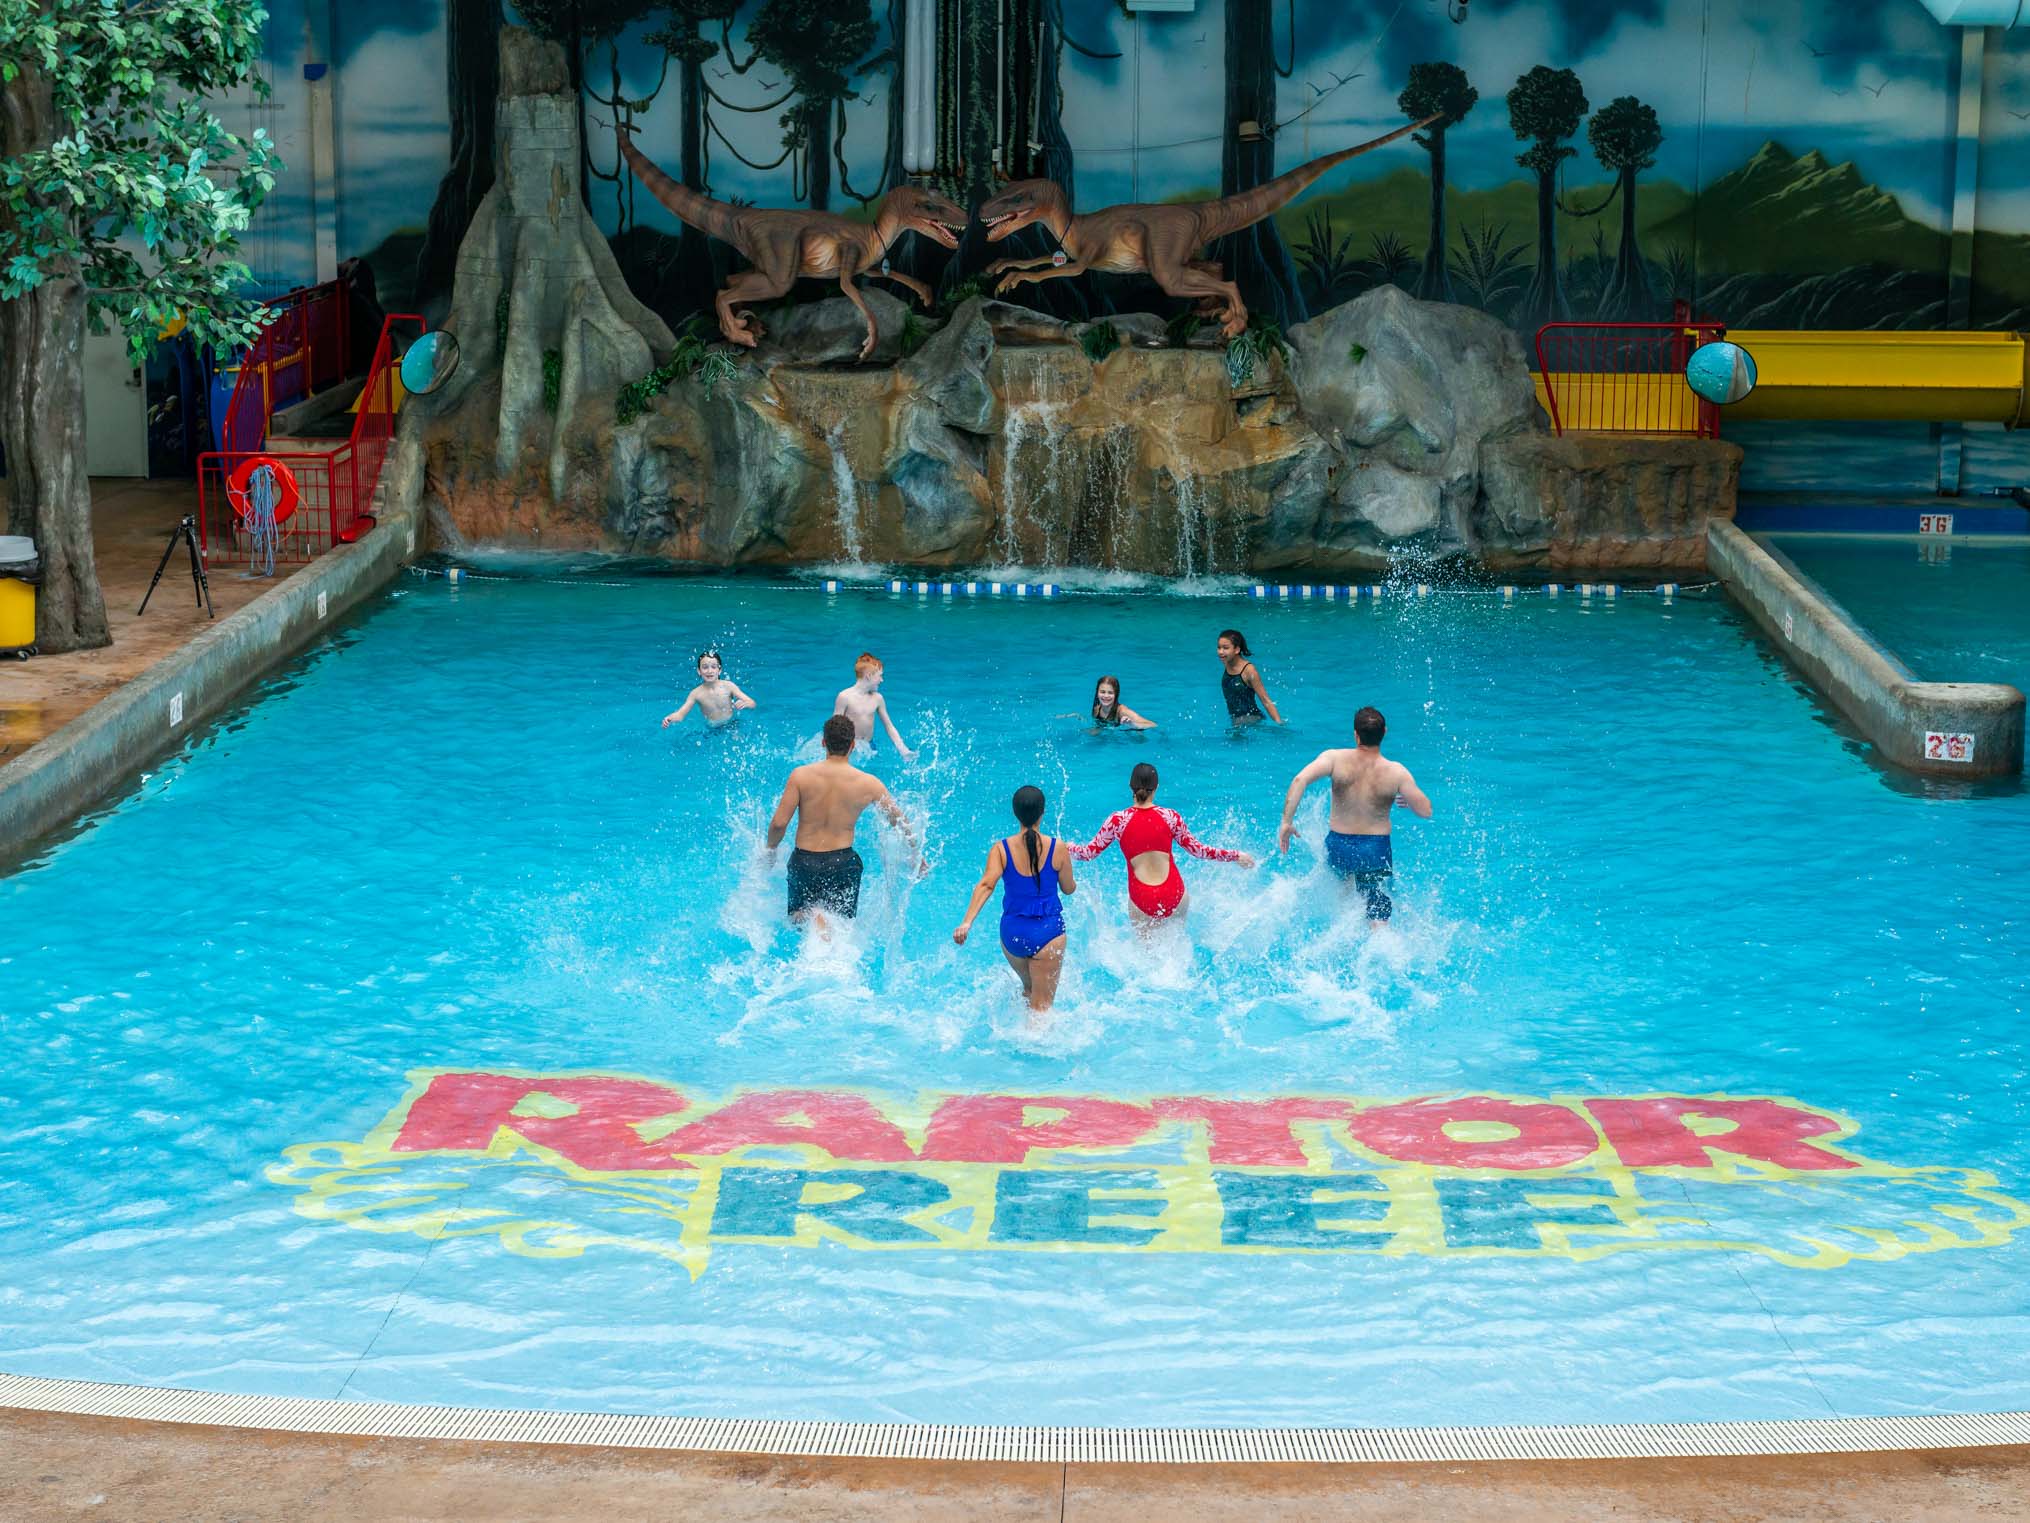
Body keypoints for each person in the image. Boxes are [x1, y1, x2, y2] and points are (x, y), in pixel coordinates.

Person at [1277, 705, 1432, 928]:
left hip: (1339, 845)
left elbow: (1299, 780)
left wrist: (1286, 822)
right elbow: (1426, 811)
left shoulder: (1334, 759)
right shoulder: (1396, 772)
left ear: (1356, 734)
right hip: (1374, 849)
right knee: (1377, 911)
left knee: (1345, 895)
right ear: (1384, 732)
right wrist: (1409, 801)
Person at [767, 714, 923, 929]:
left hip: (805, 861)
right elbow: (901, 822)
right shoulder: (869, 783)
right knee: (841, 927)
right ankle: (824, 926)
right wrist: (916, 855)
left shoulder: (801, 776)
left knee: (798, 918)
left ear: (823, 743)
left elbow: (778, 824)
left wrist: (770, 850)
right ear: (852, 745)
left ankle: (815, 918)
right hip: (843, 863)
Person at [1072, 761, 1254, 924]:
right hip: (1175, 894)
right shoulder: (1170, 817)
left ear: (1130, 787)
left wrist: (1066, 847)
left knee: (1144, 957)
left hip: (1142, 899)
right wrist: (1236, 855)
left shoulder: (1117, 821)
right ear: (1156, 787)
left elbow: (1087, 854)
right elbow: (1199, 851)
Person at [953, 785, 1075, 1013]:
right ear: (1043, 812)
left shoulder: (1001, 849)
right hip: (1048, 932)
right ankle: (1034, 1045)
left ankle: (1019, 1033)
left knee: (1029, 991)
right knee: (1043, 1007)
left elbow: (986, 884)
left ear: (1015, 813)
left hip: (1013, 935)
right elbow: (1069, 889)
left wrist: (967, 922)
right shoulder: (1057, 847)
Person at [834, 652, 917, 760]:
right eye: (880, 676)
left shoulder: (877, 699)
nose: (882, 680)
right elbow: (834, 728)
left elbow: (889, 727)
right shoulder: (844, 697)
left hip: (869, 746)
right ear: (869, 676)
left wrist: (903, 750)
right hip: (849, 748)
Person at [661, 650, 757, 727]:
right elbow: (680, 715)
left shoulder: (729, 686)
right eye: (705, 667)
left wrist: (746, 703)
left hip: (732, 724)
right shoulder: (696, 693)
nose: (709, 671)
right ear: (699, 671)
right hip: (711, 728)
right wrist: (669, 718)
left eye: (714, 667)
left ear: (719, 670)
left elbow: (753, 703)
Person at [1217, 630, 1283, 724]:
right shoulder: (1227, 661)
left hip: (1251, 720)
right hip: (1236, 720)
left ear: (1237, 650)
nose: (1220, 652)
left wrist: (1279, 723)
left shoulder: (1249, 671)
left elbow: (1265, 700)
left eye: (1225, 648)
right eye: (1219, 647)